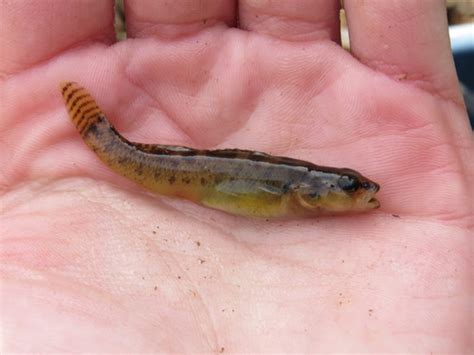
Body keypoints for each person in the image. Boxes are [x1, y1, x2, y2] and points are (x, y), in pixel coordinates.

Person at [1, 0, 472, 352]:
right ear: (315, 192)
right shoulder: (294, 191)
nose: (363, 191)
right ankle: (100, 135)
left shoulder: (302, 194)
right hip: (172, 169)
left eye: (353, 186)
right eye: (350, 187)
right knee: (127, 153)